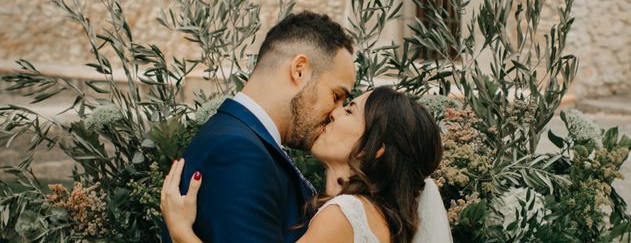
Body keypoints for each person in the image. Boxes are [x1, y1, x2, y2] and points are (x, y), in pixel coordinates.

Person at [162, 86, 452, 243]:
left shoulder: (347, 214)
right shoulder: (383, 223)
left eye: (350, 110)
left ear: (373, 149)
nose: (335, 113)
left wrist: (182, 233)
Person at [161, 11, 357, 243]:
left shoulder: (241, 138)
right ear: (300, 70)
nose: (336, 112)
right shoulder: (238, 151)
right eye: (336, 95)